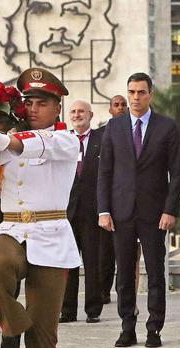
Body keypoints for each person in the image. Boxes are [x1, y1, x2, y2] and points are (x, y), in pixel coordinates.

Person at [0, 67, 79, 348]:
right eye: (28, 102)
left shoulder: (66, 140)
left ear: (57, 107)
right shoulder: (5, 146)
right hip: (12, 230)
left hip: (52, 237)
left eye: (41, 103)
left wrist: (5, 140)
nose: (33, 109)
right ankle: (11, 327)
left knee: (43, 335)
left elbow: (35, 143)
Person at [97, 72, 180, 348]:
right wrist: (103, 210)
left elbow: (177, 173)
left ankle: (154, 328)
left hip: (154, 213)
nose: (135, 97)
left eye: (141, 92)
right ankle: (127, 326)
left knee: (155, 272)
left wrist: (170, 210)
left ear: (150, 95)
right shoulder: (114, 126)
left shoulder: (166, 127)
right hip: (121, 212)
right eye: (131, 92)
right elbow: (105, 172)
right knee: (124, 273)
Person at [60, 100, 104, 323]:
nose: (77, 115)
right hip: (67, 212)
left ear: (90, 115)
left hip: (93, 211)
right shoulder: (63, 140)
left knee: (92, 261)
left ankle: (93, 310)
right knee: (68, 262)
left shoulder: (102, 140)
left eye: (81, 111)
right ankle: (67, 311)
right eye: (73, 111)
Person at [99, 95, 127, 304]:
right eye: (116, 105)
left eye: (123, 105)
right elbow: (103, 172)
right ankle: (103, 291)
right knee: (105, 254)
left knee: (127, 256)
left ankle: (124, 292)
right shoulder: (102, 134)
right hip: (107, 205)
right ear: (110, 110)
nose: (120, 108)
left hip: (129, 204)